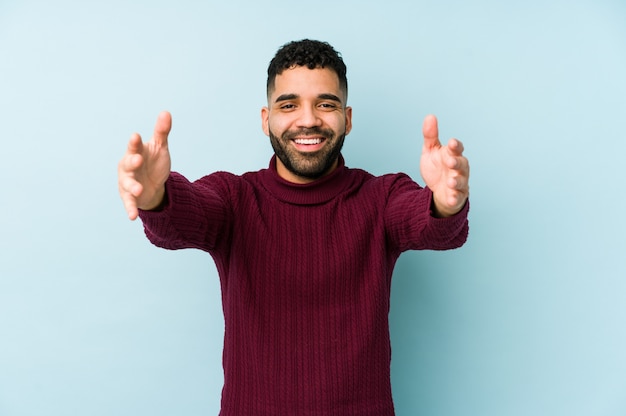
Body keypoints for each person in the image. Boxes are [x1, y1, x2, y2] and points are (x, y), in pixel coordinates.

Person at [118, 39, 469, 416]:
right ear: (266, 119)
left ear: (347, 119)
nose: (308, 120)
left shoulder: (380, 196)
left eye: (326, 104)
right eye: (289, 105)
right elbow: (186, 216)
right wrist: (157, 195)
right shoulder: (235, 198)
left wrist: (444, 204)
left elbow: (424, 220)